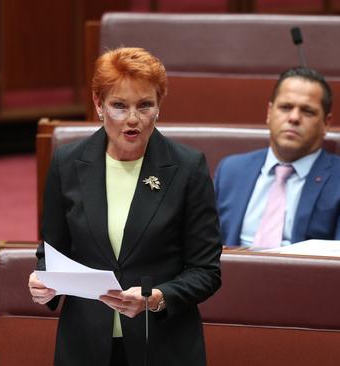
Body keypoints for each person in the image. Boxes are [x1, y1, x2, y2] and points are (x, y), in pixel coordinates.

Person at [28, 47, 222, 366]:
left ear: (159, 106)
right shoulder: (67, 163)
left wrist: (157, 299)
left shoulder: (187, 168)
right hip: (85, 345)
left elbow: (206, 271)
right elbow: (50, 253)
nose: (132, 120)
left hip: (162, 345)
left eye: (144, 105)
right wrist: (42, 283)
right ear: (98, 104)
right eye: (119, 106)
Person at [214, 67, 340, 248]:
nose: (294, 117)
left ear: (326, 123)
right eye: (285, 107)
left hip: (301, 276)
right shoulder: (231, 170)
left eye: (307, 111)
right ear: (269, 113)